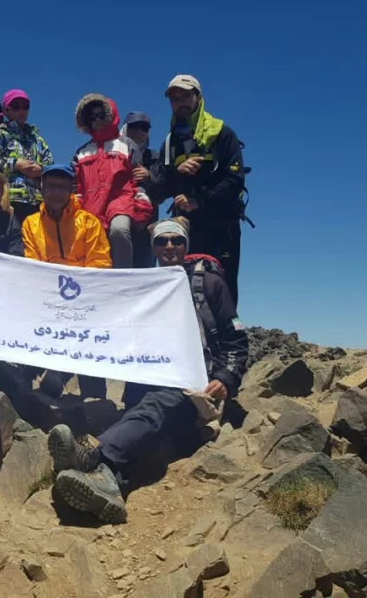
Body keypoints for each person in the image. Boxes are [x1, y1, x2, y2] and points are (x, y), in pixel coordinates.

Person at [47, 217, 248, 524]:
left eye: (177, 241)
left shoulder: (210, 284)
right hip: (149, 380)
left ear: (186, 246)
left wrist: (225, 379)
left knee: (152, 411)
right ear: (153, 248)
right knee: (149, 431)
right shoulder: (144, 287)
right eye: (162, 241)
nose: (170, 247)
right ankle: (110, 484)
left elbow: (236, 340)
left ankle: (93, 454)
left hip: (195, 384)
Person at [150, 75, 246, 304]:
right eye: (174, 98)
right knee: (184, 283)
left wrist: (199, 200)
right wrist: (177, 170)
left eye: (185, 96)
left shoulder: (222, 133)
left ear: (198, 97)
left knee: (224, 284)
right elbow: (159, 189)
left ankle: (226, 339)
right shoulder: (170, 142)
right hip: (186, 229)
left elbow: (235, 179)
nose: (180, 102)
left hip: (222, 225)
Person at [22, 164, 111, 399]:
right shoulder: (30, 223)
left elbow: (100, 264)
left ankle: (96, 404)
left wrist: (76, 296)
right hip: (45, 301)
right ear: (41, 188)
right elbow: (31, 264)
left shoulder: (90, 222)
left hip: (83, 302)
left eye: (62, 187)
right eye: (51, 186)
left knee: (89, 353)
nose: (56, 192)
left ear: (71, 189)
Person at [71, 94, 153, 269]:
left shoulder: (127, 145)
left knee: (119, 231)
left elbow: (137, 179)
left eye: (101, 115)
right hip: (90, 206)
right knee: (88, 242)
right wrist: (75, 209)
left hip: (121, 202)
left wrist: (142, 207)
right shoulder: (81, 152)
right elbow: (76, 186)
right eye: (92, 118)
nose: (97, 120)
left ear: (110, 116)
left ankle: (124, 278)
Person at [0, 89, 54, 225]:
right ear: (6, 110)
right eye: (16, 107)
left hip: (37, 203)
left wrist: (41, 170)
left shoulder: (38, 139)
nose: (21, 111)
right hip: (6, 201)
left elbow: (51, 166)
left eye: (25, 107)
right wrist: (15, 164)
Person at [121, 111, 158, 268]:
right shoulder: (112, 153)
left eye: (144, 128)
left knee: (144, 271)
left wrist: (150, 176)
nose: (138, 131)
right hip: (118, 220)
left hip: (146, 225)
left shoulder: (156, 157)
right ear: (125, 128)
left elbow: (167, 187)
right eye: (134, 126)